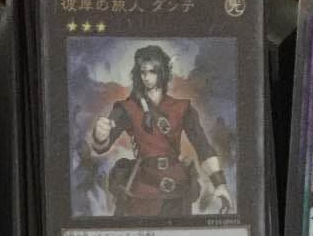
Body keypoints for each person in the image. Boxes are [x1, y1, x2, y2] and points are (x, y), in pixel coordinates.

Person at [90, 45, 233, 217]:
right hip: (142, 190)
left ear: (163, 72)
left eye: (152, 71)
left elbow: (202, 146)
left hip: (177, 191)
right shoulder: (126, 108)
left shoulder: (183, 108)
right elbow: (101, 147)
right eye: (143, 72)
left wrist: (220, 184)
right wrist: (100, 134)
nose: (146, 77)